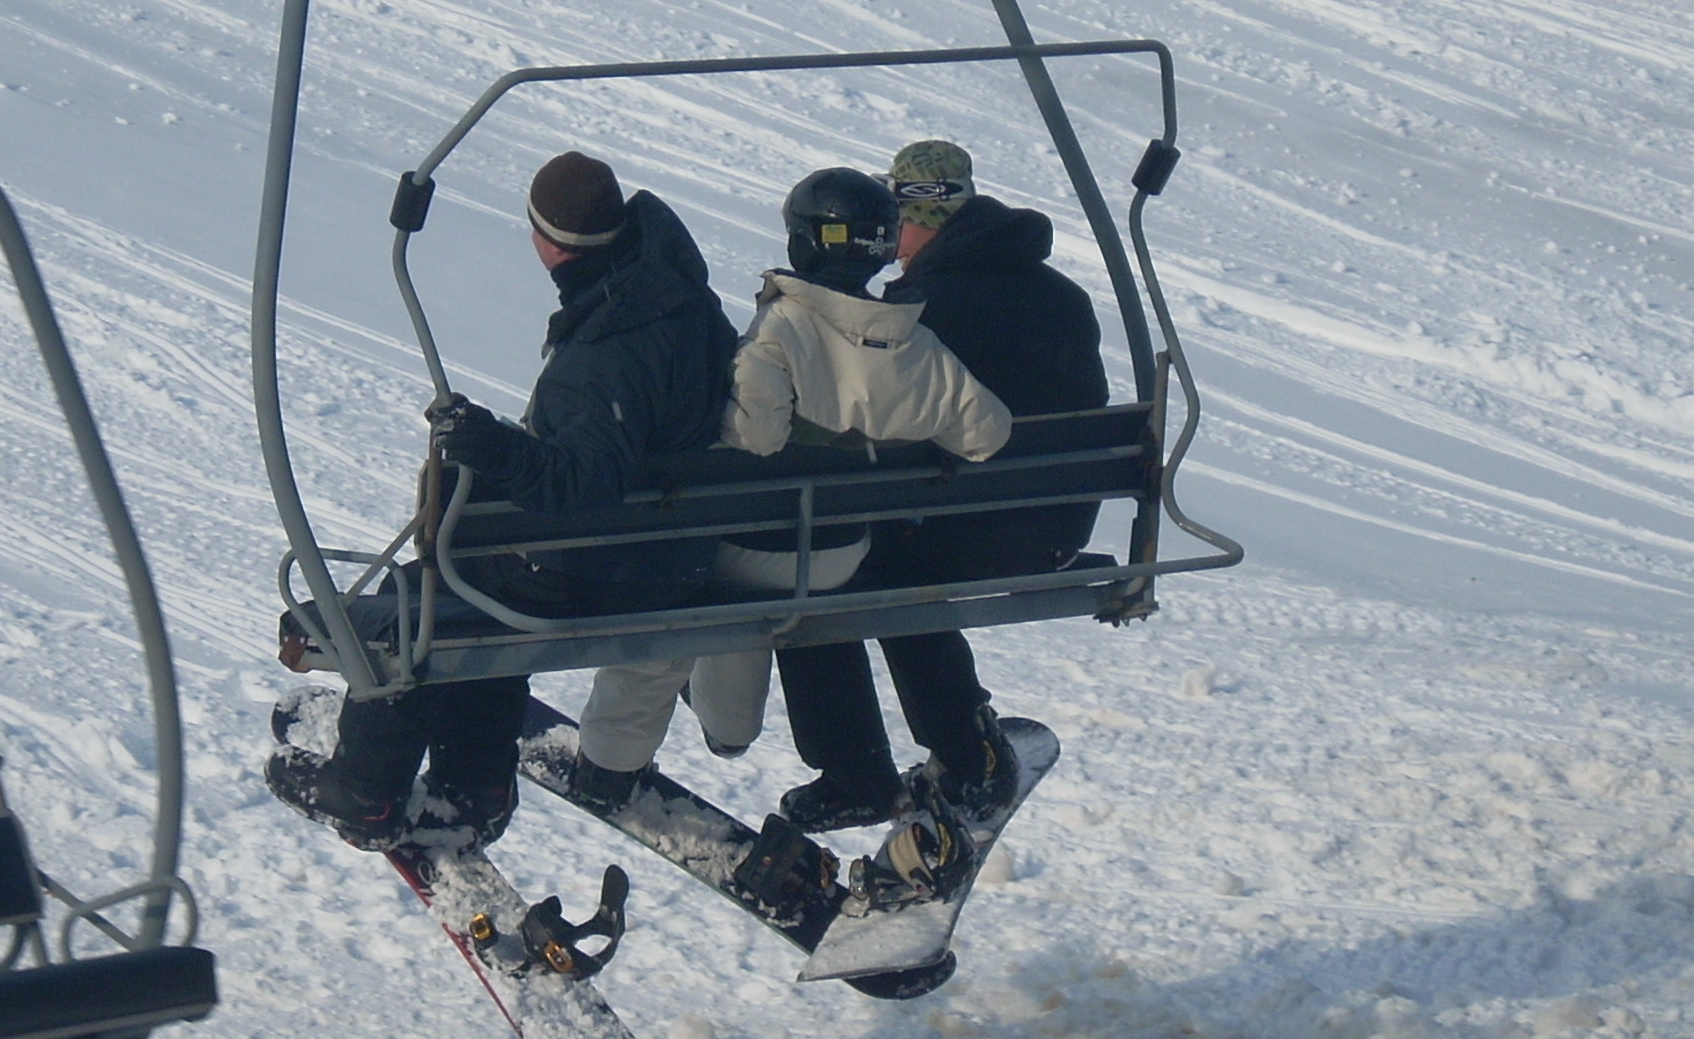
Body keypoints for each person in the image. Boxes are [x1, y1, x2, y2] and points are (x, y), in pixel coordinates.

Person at [282, 150, 738, 848]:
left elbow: (583, 485)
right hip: (677, 545)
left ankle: (368, 791)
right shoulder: (682, 299)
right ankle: (474, 785)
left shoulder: (606, 353)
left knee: (422, 605)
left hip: (617, 572)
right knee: (480, 566)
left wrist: (489, 445)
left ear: (546, 241)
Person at [568, 168, 1012, 809]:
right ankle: (728, 725)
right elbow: (986, 434)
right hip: (847, 551)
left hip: (763, 551)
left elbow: (753, 439)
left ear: (807, 244)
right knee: (778, 584)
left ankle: (673, 744)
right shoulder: (920, 346)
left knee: (689, 582)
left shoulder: (784, 331)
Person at [773, 139, 1109, 831]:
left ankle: (859, 769)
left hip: (981, 523)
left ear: (922, 218)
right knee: (894, 563)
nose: (889, 240)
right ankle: (962, 742)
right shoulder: (1058, 294)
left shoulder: (931, 304)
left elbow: (902, 436)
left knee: (824, 575)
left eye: (895, 219)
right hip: (1056, 518)